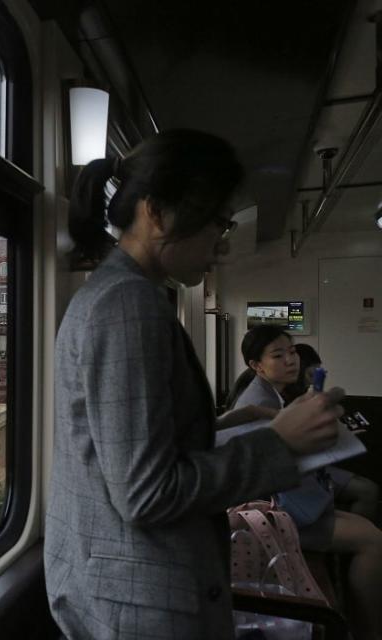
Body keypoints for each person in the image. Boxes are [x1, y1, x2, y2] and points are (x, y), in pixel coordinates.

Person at [45, 129, 345, 640]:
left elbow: (134, 448)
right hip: (144, 603)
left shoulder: (114, 296)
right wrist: (280, 443)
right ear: (157, 212)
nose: (222, 242)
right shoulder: (127, 306)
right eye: (216, 223)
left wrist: (233, 421)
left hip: (126, 590)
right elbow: (146, 494)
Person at [231, 328, 382, 639]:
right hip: (279, 512)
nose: (290, 360)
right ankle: (367, 628)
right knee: (374, 542)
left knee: (369, 521)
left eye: (292, 352)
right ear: (256, 365)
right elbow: (263, 469)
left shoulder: (272, 394)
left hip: (297, 501)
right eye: (278, 355)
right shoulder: (259, 402)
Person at [281, 343, 378, 522]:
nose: (312, 382)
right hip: (299, 474)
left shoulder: (297, 398)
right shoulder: (275, 401)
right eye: (310, 374)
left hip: (309, 467)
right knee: (367, 491)